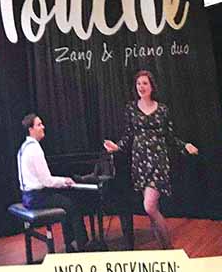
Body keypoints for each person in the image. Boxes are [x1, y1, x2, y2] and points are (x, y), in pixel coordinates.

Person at [103, 70, 199, 249]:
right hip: (140, 163)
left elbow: (169, 136)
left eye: (145, 83)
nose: (141, 87)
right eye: (138, 83)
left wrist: (184, 145)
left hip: (158, 161)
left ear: (152, 86)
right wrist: (117, 147)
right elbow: (129, 135)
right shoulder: (131, 109)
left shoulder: (162, 109)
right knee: (152, 211)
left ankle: (169, 250)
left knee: (149, 206)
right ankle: (164, 250)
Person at [17, 113, 89, 253]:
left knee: (65, 201)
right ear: (31, 129)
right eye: (39, 125)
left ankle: (71, 244)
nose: (43, 127)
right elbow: (47, 181)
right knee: (71, 205)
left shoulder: (24, 147)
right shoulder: (35, 149)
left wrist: (61, 182)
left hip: (27, 196)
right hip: (36, 198)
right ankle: (82, 245)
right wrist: (64, 180)